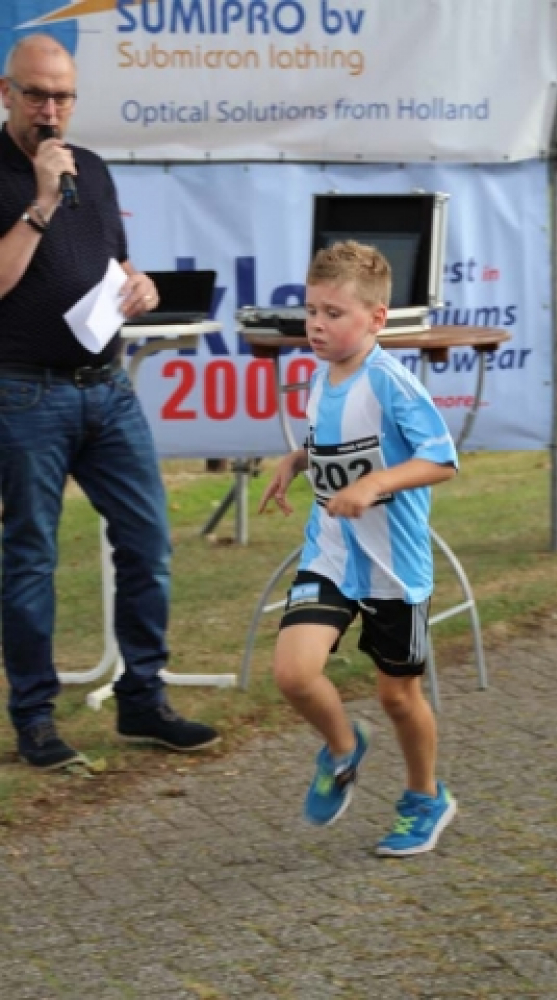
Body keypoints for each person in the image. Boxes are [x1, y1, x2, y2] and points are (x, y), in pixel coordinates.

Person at [0, 34, 219, 769]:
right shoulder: (23, 176)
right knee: (31, 557)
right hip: (24, 391)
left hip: (108, 387)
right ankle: (35, 718)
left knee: (148, 543)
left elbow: (111, 259)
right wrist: (39, 200)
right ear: (6, 93)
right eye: (37, 95)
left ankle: (143, 698)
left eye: (62, 97)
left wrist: (139, 283)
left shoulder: (89, 168)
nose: (50, 110)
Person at [259, 240, 459, 857]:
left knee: (397, 697)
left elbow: (441, 460)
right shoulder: (321, 377)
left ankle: (425, 798)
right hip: (329, 555)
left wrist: (374, 485)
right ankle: (343, 748)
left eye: (333, 313)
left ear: (376, 318)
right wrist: (296, 460)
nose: (316, 325)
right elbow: (334, 441)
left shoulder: (392, 383)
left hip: (394, 568)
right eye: (310, 311)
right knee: (294, 674)